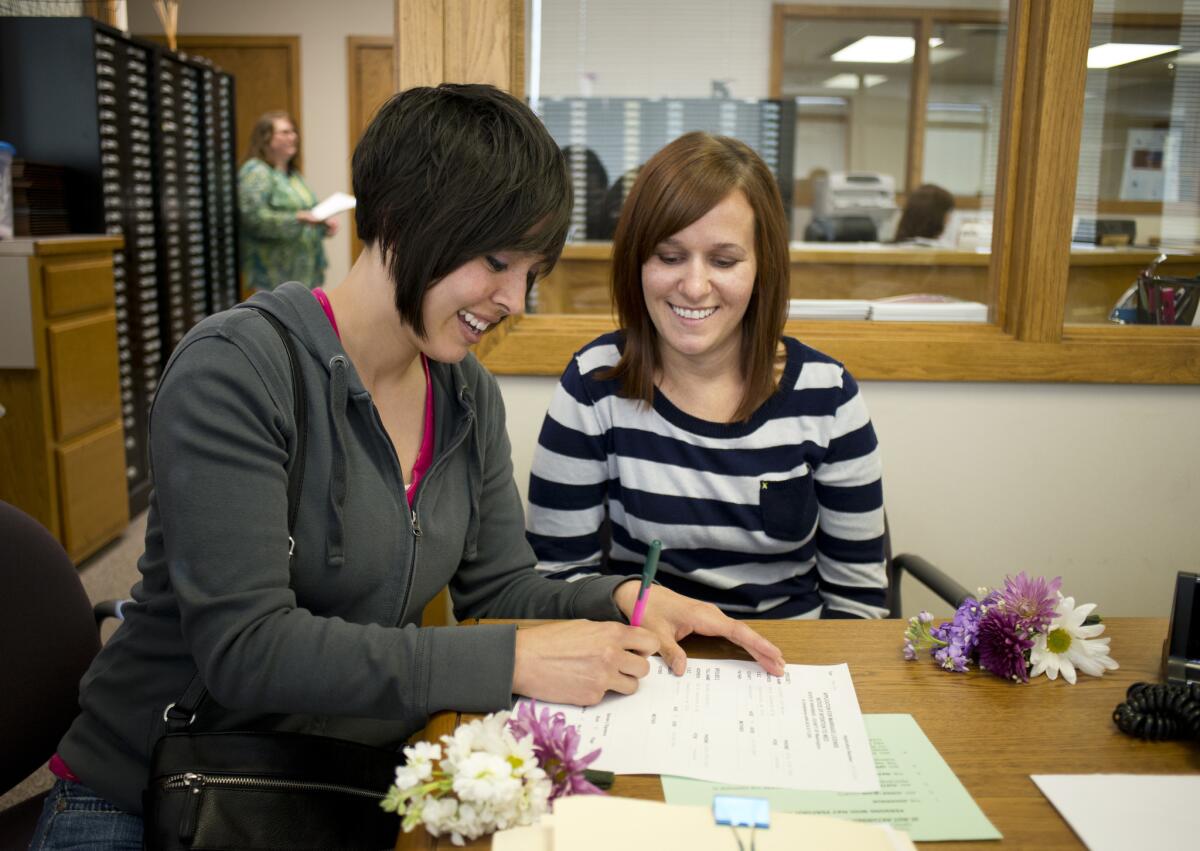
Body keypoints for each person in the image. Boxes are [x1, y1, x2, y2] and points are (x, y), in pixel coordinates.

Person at [32, 88, 784, 849]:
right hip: (157, 792)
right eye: (495, 262)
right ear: (396, 219)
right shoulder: (236, 370)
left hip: (334, 785)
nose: (514, 299)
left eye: (530, 271)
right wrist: (515, 656)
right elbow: (247, 648)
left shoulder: (465, 393)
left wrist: (622, 596)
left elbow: (498, 586)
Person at [526, 131, 887, 621]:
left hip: (789, 665)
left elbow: (857, 604)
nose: (694, 287)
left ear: (764, 267)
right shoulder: (594, 385)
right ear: (637, 262)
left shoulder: (828, 397)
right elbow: (558, 582)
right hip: (645, 665)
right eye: (670, 257)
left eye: (724, 261)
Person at [237, 110, 336, 291]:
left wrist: (323, 225)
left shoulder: (293, 176)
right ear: (265, 138)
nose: (293, 137)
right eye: (285, 132)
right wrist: (298, 218)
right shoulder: (256, 171)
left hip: (307, 276)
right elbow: (253, 219)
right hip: (276, 277)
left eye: (293, 132)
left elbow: (310, 216)